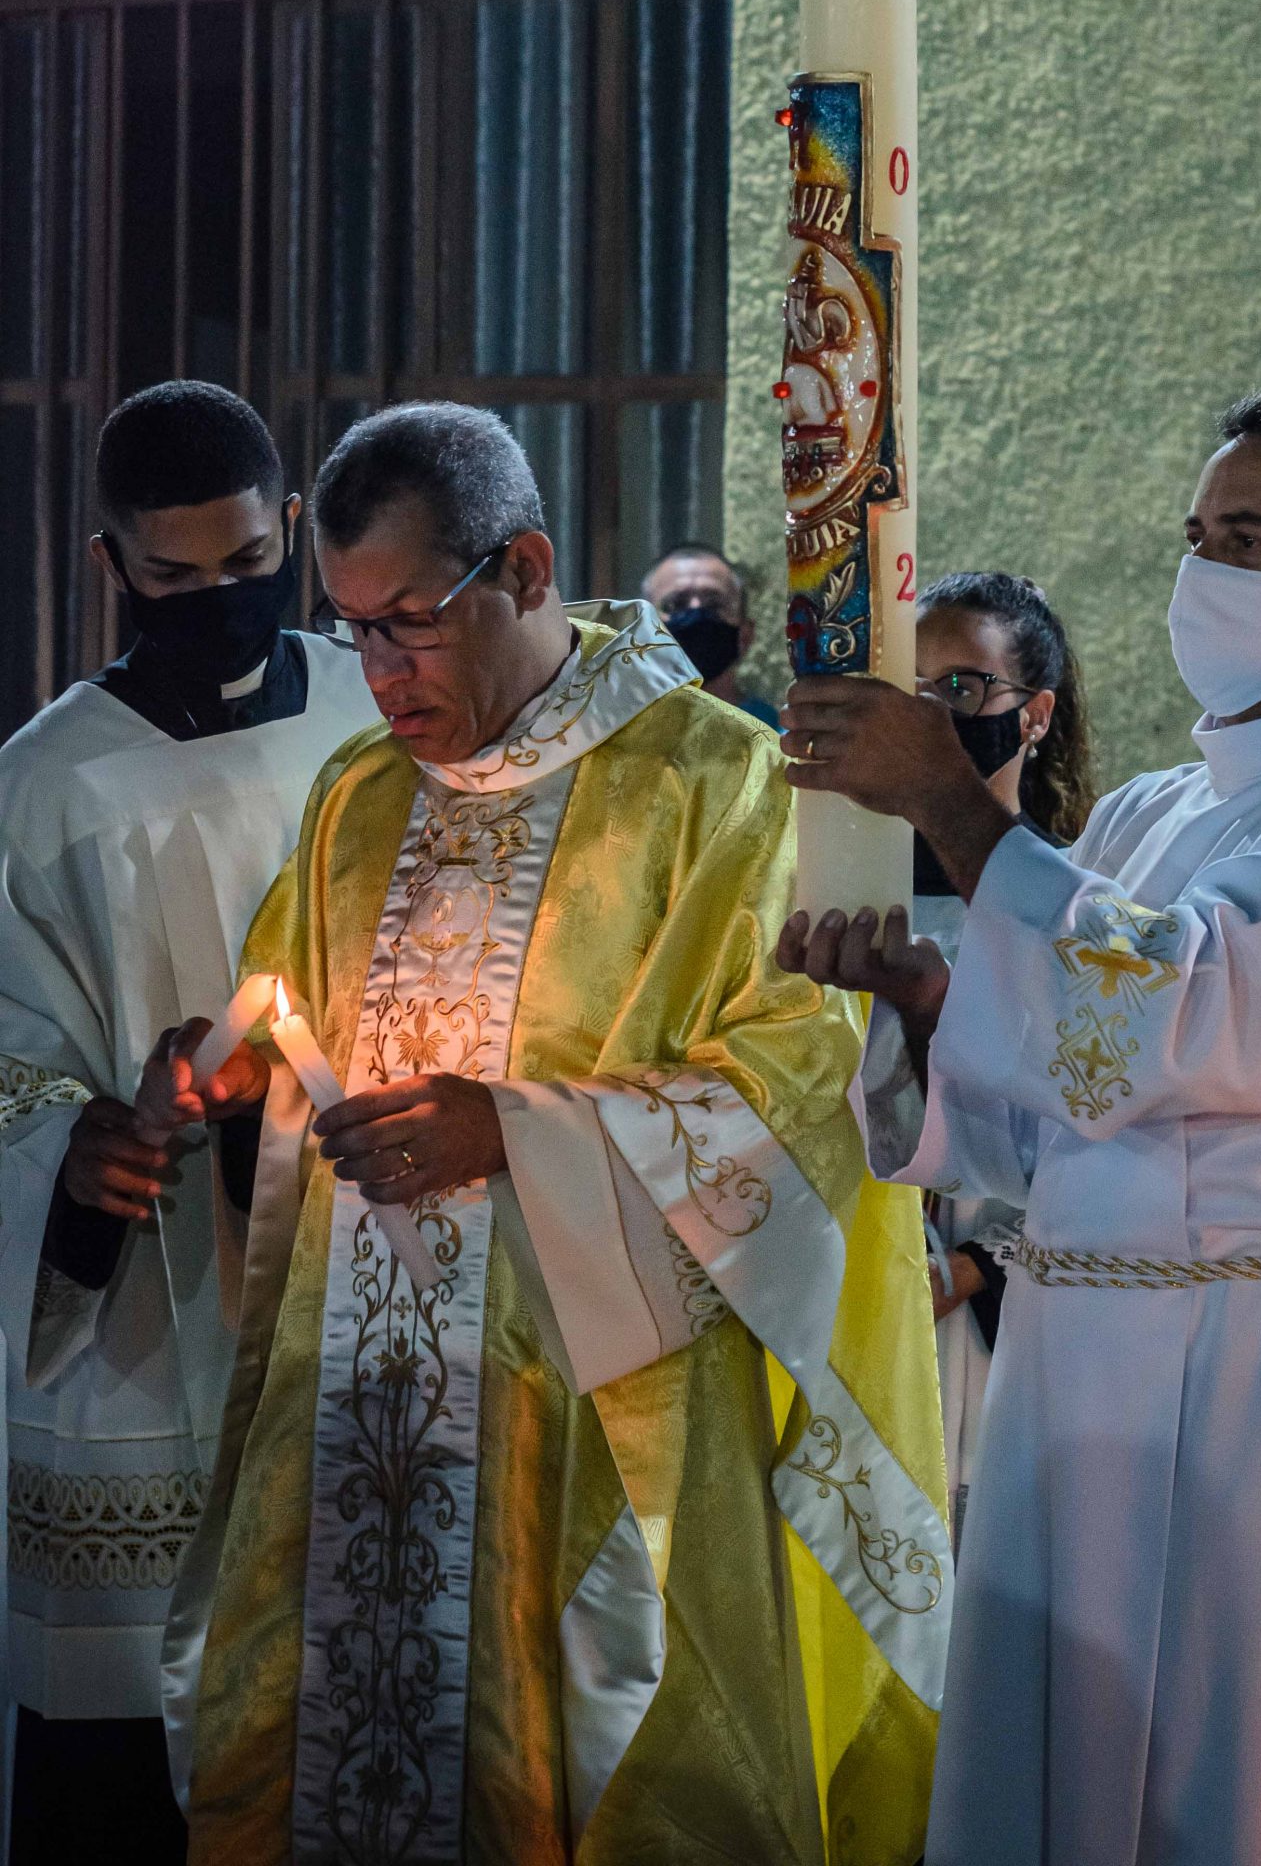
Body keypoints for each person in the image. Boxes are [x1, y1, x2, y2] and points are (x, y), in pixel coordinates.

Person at [161, 404, 947, 1866]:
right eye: (352, 629)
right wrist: (229, 1070)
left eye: (410, 622)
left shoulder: (717, 782)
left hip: (591, 1409)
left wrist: (515, 1131)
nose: (379, 673)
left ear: (523, 569)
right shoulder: (357, 794)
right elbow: (286, 1010)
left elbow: (799, 1077)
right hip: (359, 1405)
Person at [781, 385, 1261, 1866]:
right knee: (1048, 1777)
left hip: (1257, 1365)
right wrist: (930, 1008)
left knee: (1221, 1780)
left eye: (1244, 539)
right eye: (1195, 534)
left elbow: (1184, 1012)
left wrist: (955, 807)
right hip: (1070, 1363)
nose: (1197, 571)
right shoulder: (1149, 817)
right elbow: (1053, 1118)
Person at [0, 382, 375, 1866]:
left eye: (248, 563)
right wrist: (75, 1142)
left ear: (292, 527)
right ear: (110, 564)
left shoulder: (377, 716)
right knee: (120, 1787)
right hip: (145, 1323)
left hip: (356, 1267)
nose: (218, 597)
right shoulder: (43, 784)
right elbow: (9, 1053)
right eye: (173, 575)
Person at [904, 572, 1095, 1543]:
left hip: (1000, 1310)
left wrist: (976, 1267)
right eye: (913, 688)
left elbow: (1101, 1113)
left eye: (964, 687)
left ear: (1036, 715)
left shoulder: (1079, 904)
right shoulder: (835, 893)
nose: (933, 714)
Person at [641, 541, 780, 726]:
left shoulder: (782, 739)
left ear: (746, 636)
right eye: (675, 604)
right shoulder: (613, 736)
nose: (696, 611)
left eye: (714, 605)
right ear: (643, 634)